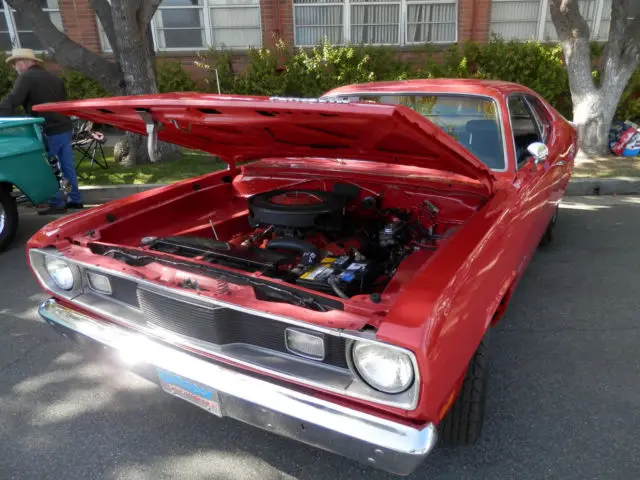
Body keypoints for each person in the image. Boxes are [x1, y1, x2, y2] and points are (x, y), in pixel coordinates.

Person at [0, 48, 82, 214]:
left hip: (47, 128)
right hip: (64, 126)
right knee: (66, 165)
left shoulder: (25, 77)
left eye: (15, 64)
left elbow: (13, 100)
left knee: (49, 166)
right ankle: (75, 199)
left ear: (24, 62)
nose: (15, 67)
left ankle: (57, 202)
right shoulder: (55, 78)